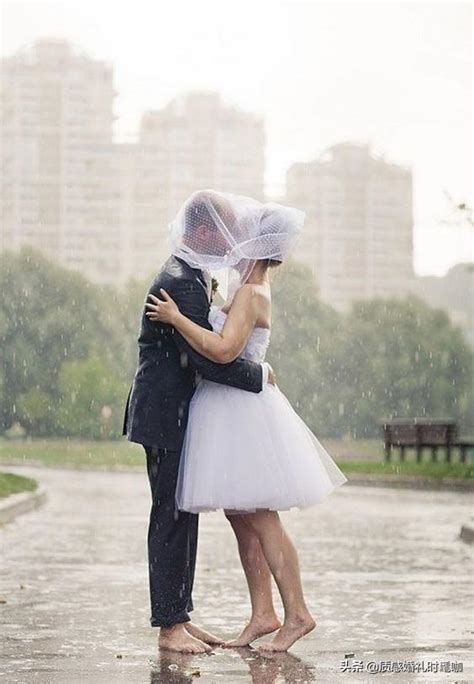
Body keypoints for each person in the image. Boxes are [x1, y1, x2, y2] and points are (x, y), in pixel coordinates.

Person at [145, 193, 348, 652]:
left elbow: (220, 352)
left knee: (260, 514)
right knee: (241, 514)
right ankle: (263, 613)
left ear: (256, 248)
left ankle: (297, 613)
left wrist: (177, 319)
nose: (232, 245)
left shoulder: (252, 293)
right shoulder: (230, 287)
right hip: (227, 409)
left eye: (242, 238)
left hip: (243, 412)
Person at [122, 190, 276, 654]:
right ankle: (169, 627)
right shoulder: (181, 282)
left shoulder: (189, 274)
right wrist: (260, 375)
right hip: (165, 414)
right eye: (223, 231)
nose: (228, 243)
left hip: (173, 412)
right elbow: (208, 360)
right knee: (170, 515)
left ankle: (178, 618)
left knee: (181, 512)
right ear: (204, 231)